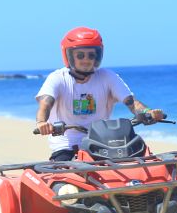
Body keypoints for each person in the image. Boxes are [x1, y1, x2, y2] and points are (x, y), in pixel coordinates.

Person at [35, 26, 165, 161]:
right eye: (80, 55)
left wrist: (148, 112)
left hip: (102, 141)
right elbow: (46, 103)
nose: (86, 59)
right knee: (64, 173)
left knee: (141, 159)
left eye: (91, 55)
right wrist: (42, 122)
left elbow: (131, 102)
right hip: (67, 146)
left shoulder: (108, 76)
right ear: (69, 56)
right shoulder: (57, 78)